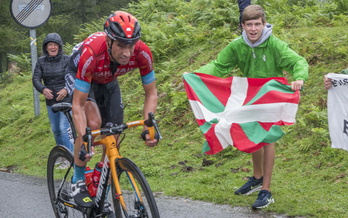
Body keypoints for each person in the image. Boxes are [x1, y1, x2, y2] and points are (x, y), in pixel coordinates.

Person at [191, 5, 308, 209]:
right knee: (254, 136)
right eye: (249, 25)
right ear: (242, 26)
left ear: (263, 24)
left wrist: (299, 77)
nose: (253, 29)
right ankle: (256, 178)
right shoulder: (237, 45)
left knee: (268, 138)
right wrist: (195, 75)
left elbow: (298, 61)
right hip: (250, 97)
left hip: (271, 96)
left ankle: (266, 190)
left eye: (257, 24)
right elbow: (219, 66)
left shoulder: (274, 44)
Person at [66, 11, 158, 208]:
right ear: (108, 41)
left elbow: (151, 93)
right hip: (81, 74)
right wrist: (84, 139)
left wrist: (148, 126)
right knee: (93, 124)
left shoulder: (142, 53)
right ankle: (78, 181)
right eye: (121, 46)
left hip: (107, 79)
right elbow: (78, 105)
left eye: (131, 45)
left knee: (115, 134)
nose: (127, 52)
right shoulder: (92, 52)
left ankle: (101, 187)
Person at [32, 33, 74, 154]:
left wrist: (66, 89)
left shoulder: (67, 60)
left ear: (60, 47)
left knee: (64, 128)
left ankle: (70, 156)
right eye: (50, 45)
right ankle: (61, 155)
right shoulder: (41, 61)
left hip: (66, 101)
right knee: (56, 130)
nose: (53, 47)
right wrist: (43, 89)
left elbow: (74, 77)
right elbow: (35, 79)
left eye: (55, 45)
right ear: (46, 47)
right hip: (51, 102)